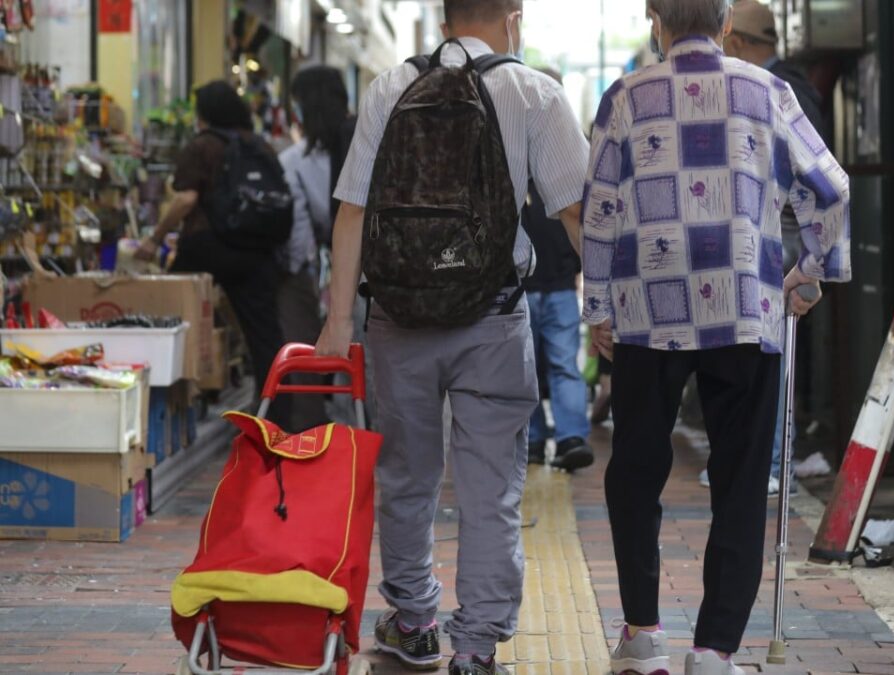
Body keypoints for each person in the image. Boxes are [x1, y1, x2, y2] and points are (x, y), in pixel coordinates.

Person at [315, 1, 589, 673]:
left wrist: (337, 321)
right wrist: (606, 308)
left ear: (442, 16)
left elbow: (352, 208)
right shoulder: (534, 92)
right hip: (493, 318)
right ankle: (476, 643)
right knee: (490, 487)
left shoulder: (391, 85)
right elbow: (578, 210)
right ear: (513, 16)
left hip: (397, 319)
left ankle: (412, 619)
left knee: (407, 476)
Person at [581, 1, 851, 674]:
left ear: (653, 19)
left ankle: (643, 635)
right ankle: (715, 647)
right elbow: (832, 188)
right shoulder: (768, 92)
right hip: (744, 311)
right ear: (726, 22)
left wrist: (598, 308)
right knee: (738, 480)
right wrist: (809, 271)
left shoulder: (626, 96)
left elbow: (600, 209)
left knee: (635, 472)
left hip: (649, 313)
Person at [713, 0, 834, 495]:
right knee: (766, 348)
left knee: (765, 349)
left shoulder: (771, 91)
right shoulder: (791, 85)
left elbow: (823, 181)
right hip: (780, 236)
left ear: (736, 42)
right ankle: (767, 459)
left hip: (774, 236)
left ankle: (770, 461)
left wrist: (812, 263)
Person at [137, 81, 289, 423]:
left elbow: (186, 199)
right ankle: (276, 417)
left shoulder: (202, 146)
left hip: (207, 246)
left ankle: (172, 406)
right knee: (265, 336)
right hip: (256, 250)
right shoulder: (258, 144)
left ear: (204, 113)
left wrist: (155, 238)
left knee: (171, 316)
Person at [521, 74, 594, 469]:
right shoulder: (521, 151)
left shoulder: (525, 151)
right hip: (538, 285)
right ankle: (550, 438)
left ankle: (566, 437)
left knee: (542, 366)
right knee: (546, 366)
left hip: (556, 285)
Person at [274, 65, 347, 432]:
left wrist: (304, 279)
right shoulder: (367, 145)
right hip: (378, 271)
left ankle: (312, 433)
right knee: (363, 363)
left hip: (322, 270)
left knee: (305, 349)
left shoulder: (294, 161)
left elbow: (300, 237)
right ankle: (362, 437)